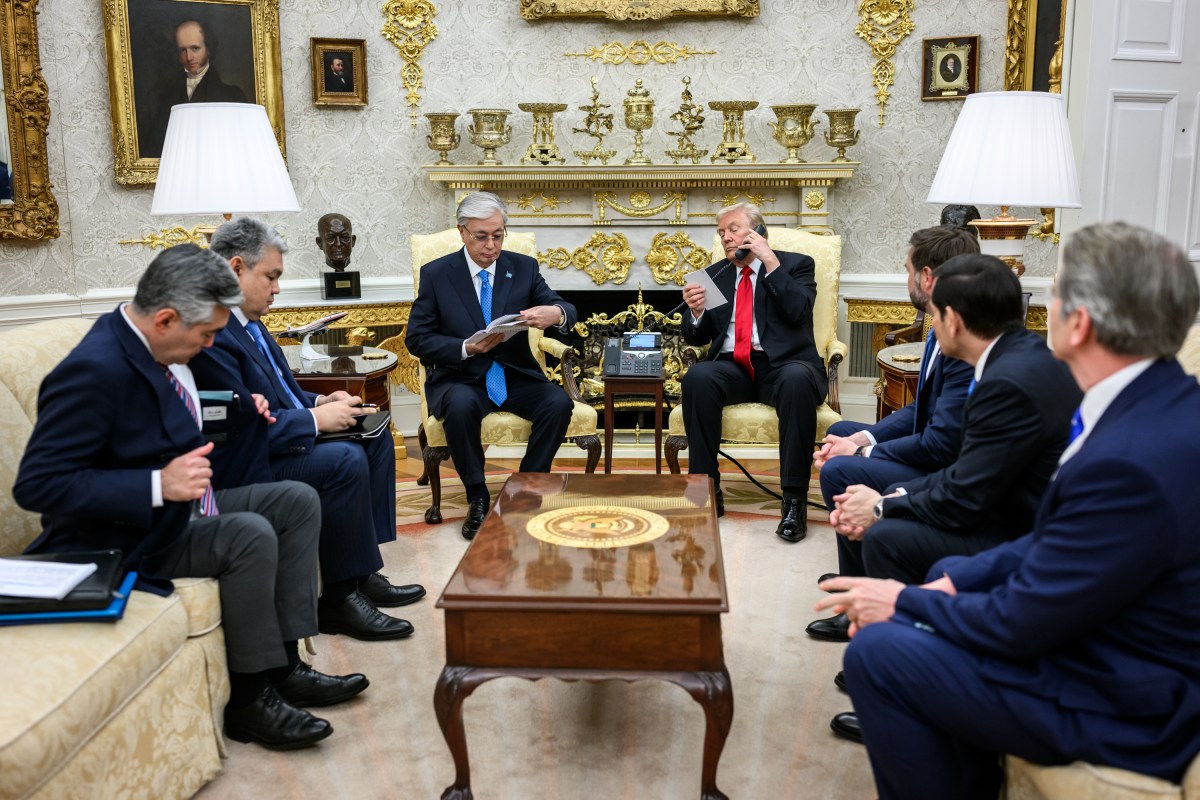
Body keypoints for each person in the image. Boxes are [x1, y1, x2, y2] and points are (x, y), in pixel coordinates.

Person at [818, 221, 1200, 799]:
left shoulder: (1129, 461)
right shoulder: (1158, 402)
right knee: (933, 594)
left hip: (1119, 696)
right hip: (1099, 635)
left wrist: (904, 598)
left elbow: (1021, 622)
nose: (1042, 307)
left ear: (1082, 323)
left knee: (879, 652)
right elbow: (1055, 542)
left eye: (1057, 293)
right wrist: (952, 584)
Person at [14, 244, 367, 751]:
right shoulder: (91, 372)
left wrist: (240, 405)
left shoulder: (148, 345)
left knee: (294, 499)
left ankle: (286, 666)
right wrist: (158, 483)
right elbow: (38, 485)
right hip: (129, 537)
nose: (207, 348)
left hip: (181, 511)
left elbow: (160, 414)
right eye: (204, 336)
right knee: (247, 534)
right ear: (165, 319)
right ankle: (249, 700)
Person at [813, 253, 1082, 744]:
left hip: (1019, 530)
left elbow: (964, 493)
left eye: (934, 316)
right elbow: (964, 474)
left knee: (889, 539)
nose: (931, 326)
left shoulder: (1007, 382)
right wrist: (886, 496)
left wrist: (881, 505)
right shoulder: (1014, 355)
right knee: (881, 511)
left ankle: (901, 687)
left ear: (954, 320)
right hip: (1000, 503)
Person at [192, 218, 421, 642]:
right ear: (236, 268)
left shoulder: (250, 319)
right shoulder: (213, 332)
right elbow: (238, 427)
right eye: (272, 277)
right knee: (344, 459)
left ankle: (362, 570)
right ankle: (336, 599)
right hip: (252, 462)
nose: (278, 289)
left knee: (373, 434)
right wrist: (314, 422)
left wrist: (320, 401)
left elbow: (278, 387)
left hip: (282, 432)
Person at [810, 226, 978, 629]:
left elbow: (940, 444)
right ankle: (858, 576)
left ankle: (863, 593)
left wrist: (861, 453)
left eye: (906, 271)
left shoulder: (963, 336)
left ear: (926, 277)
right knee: (844, 430)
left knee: (838, 467)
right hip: (935, 448)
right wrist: (860, 437)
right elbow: (922, 408)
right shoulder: (942, 323)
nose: (905, 280)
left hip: (944, 467)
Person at [406, 191, 576, 540]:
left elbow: (563, 307)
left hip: (513, 374)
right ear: (462, 232)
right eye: (481, 236)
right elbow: (417, 338)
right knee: (462, 405)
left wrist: (555, 313)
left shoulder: (522, 267)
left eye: (498, 235)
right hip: (461, 376)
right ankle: (477, 495)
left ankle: (526, 487)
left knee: (558, 403)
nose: (491, 245)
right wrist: (465, 347)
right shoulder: (438, 274)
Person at [679, 202, 826, 543]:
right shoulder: (714, 275)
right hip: (733, 368)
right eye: (721, 233)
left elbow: (797, 312)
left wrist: (769, 261)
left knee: (795, 380)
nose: (725, 238)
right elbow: (697, 337)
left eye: (733, 229)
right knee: (698, 378)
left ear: (758, 232)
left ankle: (793, 501)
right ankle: (705, 490)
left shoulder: (796, 265)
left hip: (783, 366)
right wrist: (697, 312)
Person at [141, 19, 249, 158]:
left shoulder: (232, 96)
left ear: (208, 48)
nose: (189, 57)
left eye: (195, 48)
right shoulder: (163, 94)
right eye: (183, 50)